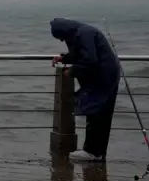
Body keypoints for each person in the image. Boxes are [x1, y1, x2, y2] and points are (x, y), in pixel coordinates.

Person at [50, 18, 121, 162]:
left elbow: (89, 60)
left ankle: (92, 152)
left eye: (61, 37)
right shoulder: (82, 32)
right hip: (106, 77)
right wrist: (64, 58)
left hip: (103, 79)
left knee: (97, 115)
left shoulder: (84, 34)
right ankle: (98, 153)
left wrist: (72, 71)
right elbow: (82, 53)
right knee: (100, 115)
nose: (62, 41)